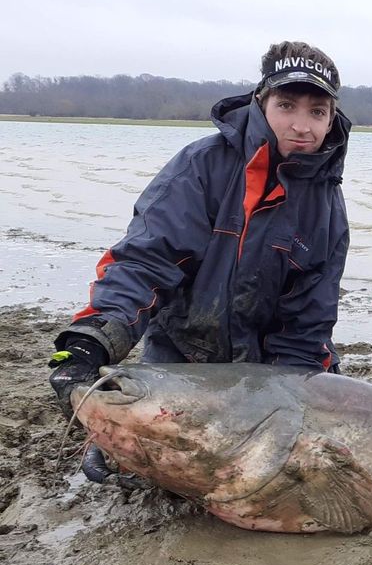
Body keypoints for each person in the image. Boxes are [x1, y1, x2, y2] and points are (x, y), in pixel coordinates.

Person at [48, 40, 352, 432]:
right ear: (261, 103)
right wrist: (91, 341)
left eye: (317, 111)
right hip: (182, 358)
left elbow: (308, 321)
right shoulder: (202, 165)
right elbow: (145, 264)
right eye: (287, 105)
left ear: (331, 120)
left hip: (267, 369)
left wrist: (285, 406)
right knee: (135, 449)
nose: (301, 125)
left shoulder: (329, 207)